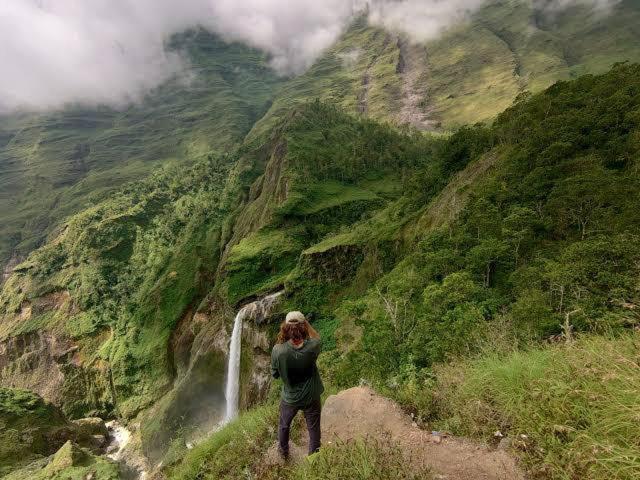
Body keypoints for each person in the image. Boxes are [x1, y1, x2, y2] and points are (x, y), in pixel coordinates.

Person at [271, 311, 323, 460]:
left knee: (284, 425)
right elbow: (317, 338)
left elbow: (274, 374)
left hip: (290, 398)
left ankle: (283, 452)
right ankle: (313, 459)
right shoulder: (313, 347)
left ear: (285, 328)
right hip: (311, 396)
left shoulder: (278, 350)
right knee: (313, 428)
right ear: (304, 327)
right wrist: (306, 324)